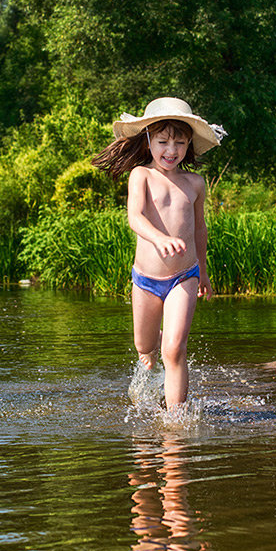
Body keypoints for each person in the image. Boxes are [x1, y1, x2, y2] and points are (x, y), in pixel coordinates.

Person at [93, 97, 225, 410]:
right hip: (146, 279)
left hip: (185, 276)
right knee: (145, 348)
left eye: (179, 142)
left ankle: (175, 421)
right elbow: (135, 217)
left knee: (175, 350)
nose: (171, 150)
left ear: (189, 144)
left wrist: (203, 273)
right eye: (164, 141)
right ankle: (152, 355)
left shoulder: (194, 183)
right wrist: (159, 238)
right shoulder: (140, 176)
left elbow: (200, 230)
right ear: (149, 141)